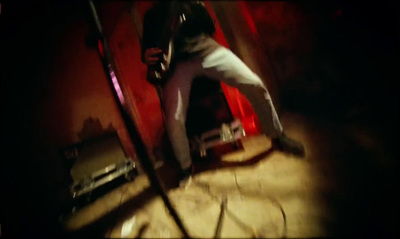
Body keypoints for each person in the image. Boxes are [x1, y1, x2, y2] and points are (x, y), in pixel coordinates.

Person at [141, 1, 305, 182]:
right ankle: (186, 167)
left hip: (205, 48)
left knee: (254, 83)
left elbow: (210, 28)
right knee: (174, 118)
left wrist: (196, 8)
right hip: (176, 64)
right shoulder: (152, 15)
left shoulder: (191, 3)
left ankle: (277, 136)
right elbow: (147, 50)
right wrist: (147, 56)